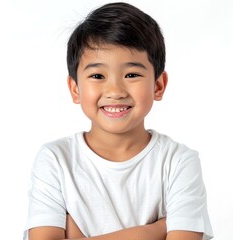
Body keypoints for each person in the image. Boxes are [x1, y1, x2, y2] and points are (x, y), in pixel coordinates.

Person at [24, 2, 213, 240]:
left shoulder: (178, 162)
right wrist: (153, 231)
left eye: (131, 74)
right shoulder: (55, 159)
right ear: (75, 89)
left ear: (158, 85)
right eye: (97, 76)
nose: (115, 90)